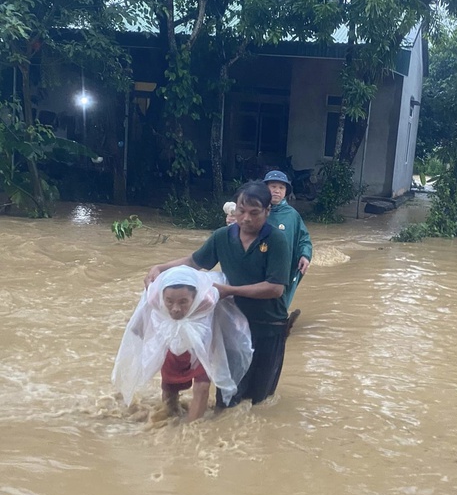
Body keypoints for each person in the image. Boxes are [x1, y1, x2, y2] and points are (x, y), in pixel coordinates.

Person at [144, 181, 290, 407]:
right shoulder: (223, 236)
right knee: (228, 395)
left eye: (254, 213)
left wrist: (229, 291)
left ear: (267, 211)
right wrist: (160, 268)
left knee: (258, 400)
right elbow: (194, 262)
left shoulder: (276, 240)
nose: (246, 219)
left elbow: (275, 288)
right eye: (241, 211)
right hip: (231, 324)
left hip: (268, 326)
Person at [112, 265, 253, 422]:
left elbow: (226, 301)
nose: (176, 309)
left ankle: (191, 429)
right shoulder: (154, 297)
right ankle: (169, 419)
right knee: (169, 389)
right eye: (169, 301)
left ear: (195, 297)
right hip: (170, 343)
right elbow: (141, 319)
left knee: (202, 387)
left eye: (183, 302)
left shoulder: (207, 299)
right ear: (162, 297)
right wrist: (137, 329)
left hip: (201, 345)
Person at [263, 170, 313, 332]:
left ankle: (276, 324)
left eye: (281, 188)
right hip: (260, 264)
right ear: (265, 189)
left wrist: (305, 255)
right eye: (273, 186)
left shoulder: (292, 216)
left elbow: (303, 239)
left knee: (279, 296)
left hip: (284, 267)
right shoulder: (257, 211)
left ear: (286, 192)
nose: (277, 190)